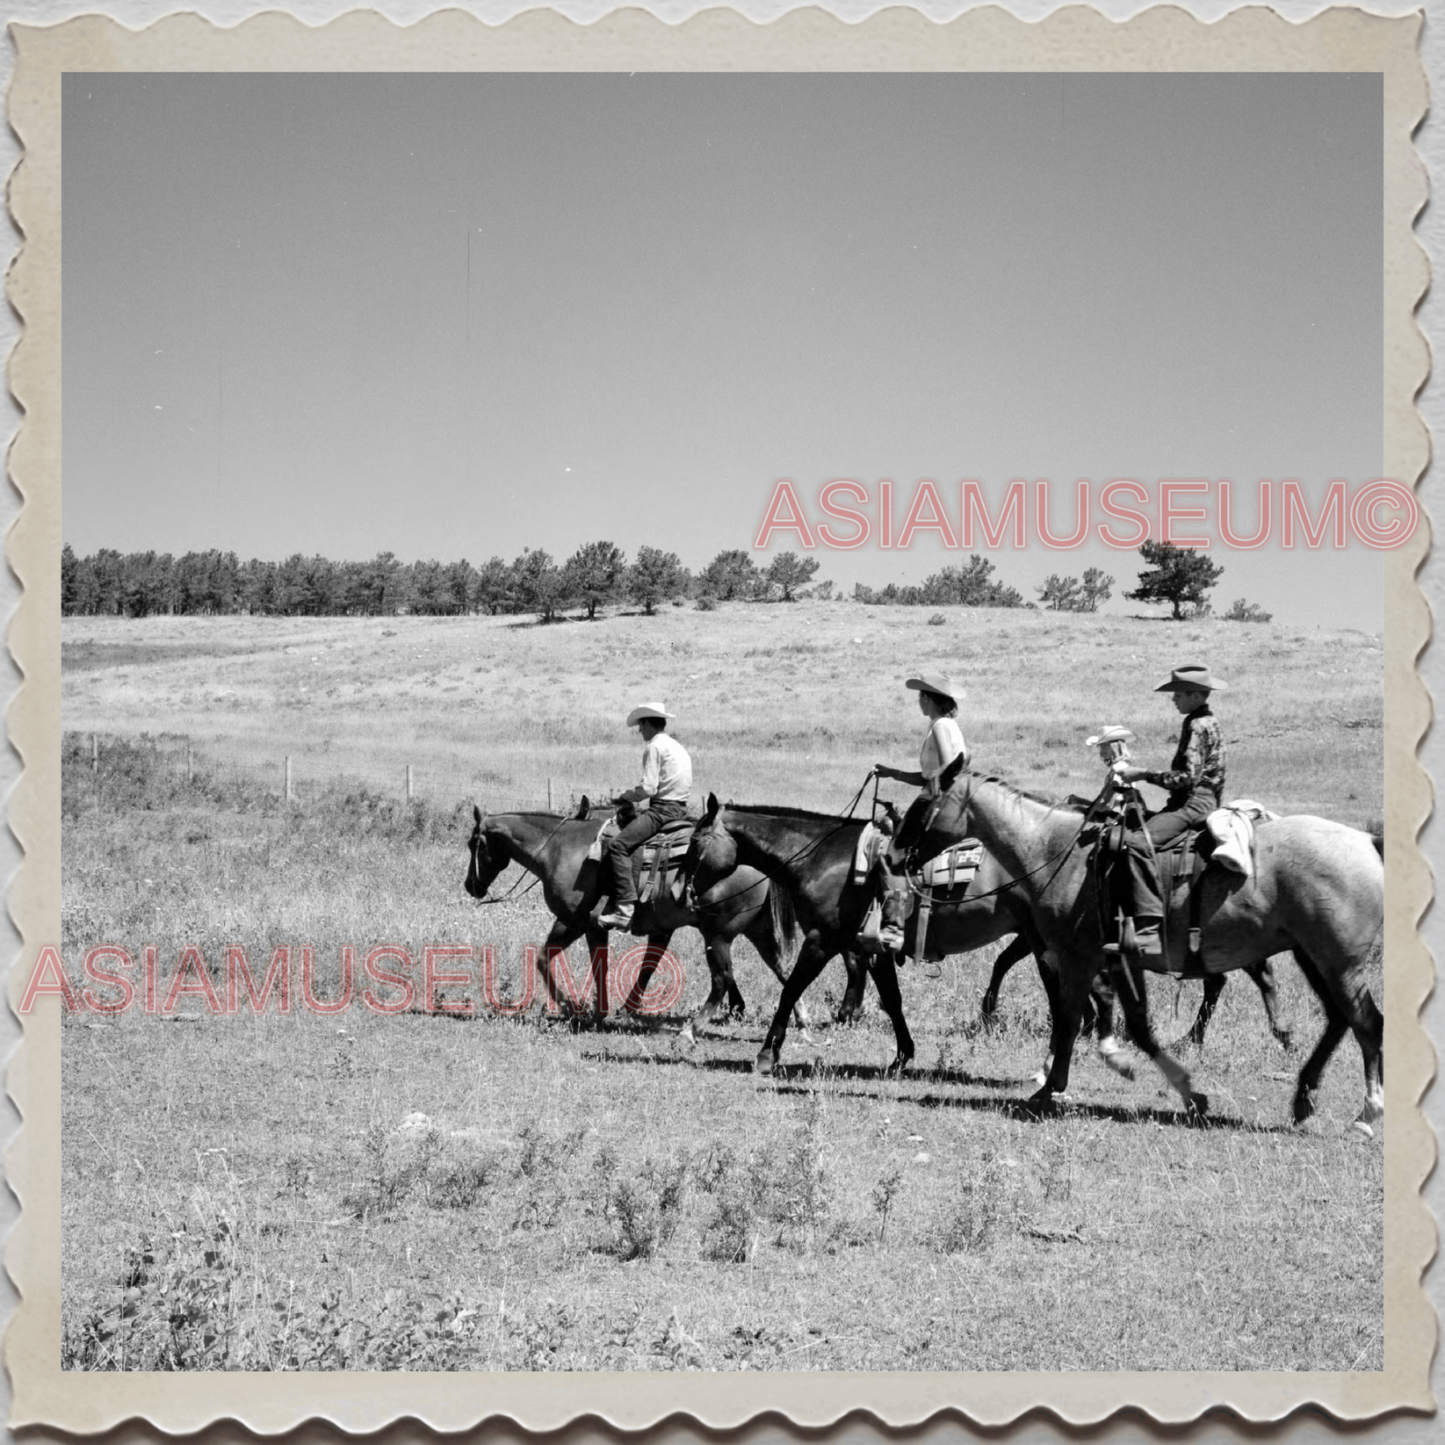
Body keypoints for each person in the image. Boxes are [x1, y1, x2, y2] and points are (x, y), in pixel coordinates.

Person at [1107, 665, 1228, 955]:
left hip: (1193, 803)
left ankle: (1149, 929)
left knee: (1137, 843)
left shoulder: (1197, 726)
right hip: (1198, 801)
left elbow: (1186, 778)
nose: (1173, 699)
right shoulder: (1206, 721)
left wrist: (1143, 775)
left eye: (1178, 694)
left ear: (1196, 695)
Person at [870, 673, 970, 953]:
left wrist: (926, 807)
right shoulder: (945, 724)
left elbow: (947, 772)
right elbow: (931, 775)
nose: (918, 702)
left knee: (896, 853)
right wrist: (894, 774)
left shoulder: (939, 726)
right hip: (940, 798)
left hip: (940, 803)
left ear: (927, 698)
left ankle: (894, 925)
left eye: (920, 697)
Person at [597, 702, 693, 932]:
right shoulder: (676, 746)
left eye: (641, 725)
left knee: (618, 846)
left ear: (649, 723)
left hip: (662, 811)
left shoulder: (654, 747)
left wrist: (627, 795)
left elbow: (649, 789)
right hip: (681, 809)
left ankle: (625, 908)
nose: (640, 730)